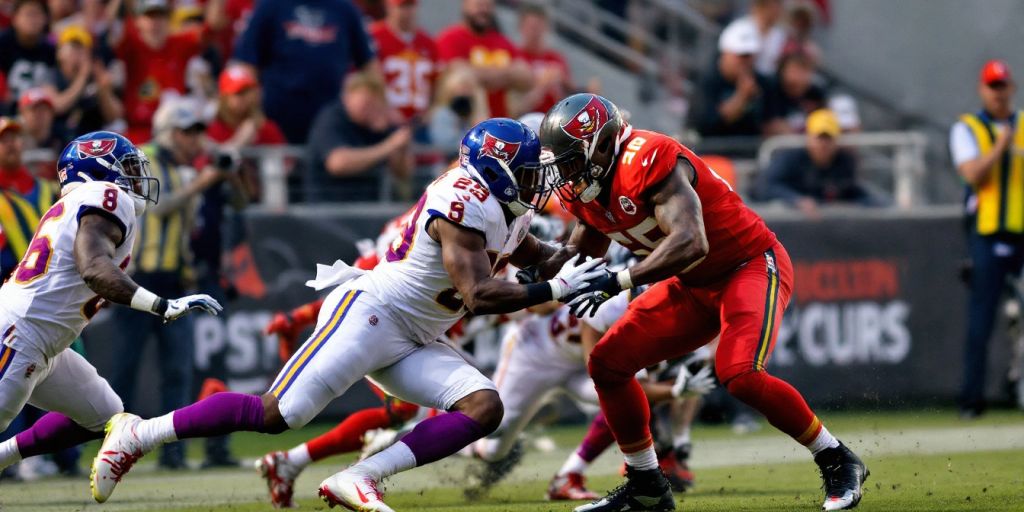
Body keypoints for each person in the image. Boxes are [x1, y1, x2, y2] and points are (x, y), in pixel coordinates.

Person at [90, 118, 608, 511]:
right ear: (497, 169)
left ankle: (361, 477)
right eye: (525, 170)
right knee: (278, 415)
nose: (535, 180)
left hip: (417, 335)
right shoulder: (464, 201)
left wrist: (594, 253)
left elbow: (542, 255)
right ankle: (141, 434)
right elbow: (479, 294)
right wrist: (558, 287)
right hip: (374, 314)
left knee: (483, 408)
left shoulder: (504, 207)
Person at [536, 93, 867, 512]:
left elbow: (691, 241)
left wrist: (620, 279)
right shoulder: (585, 189)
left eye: (570, 160)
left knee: (740, 373)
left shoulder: (649, 157)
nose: (564, 174)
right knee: (607, 363)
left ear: (601, 145)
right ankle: (646, 485)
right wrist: (534, 260)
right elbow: (582, 248)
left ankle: (836, 457)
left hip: (747, 265)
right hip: (692, 285)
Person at [0, 130, 222, 487]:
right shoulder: (107, 195)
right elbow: (93, 268)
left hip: (46, 342)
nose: (137, 176)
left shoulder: (82, 201)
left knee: (107, 415)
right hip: (19, 334)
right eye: (128, 166)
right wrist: (160, 305)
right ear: (98, 170)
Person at [106, 97, 233, 470]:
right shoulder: (143, 158)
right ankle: (113, 448)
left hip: (175, 280)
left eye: (197, 132)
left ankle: (172, 451)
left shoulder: (185, 167)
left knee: (177, 370)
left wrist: (222, 173)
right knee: (124, 370)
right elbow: (157, 207)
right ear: (168, 131)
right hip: (137, 280)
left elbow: (228, 207)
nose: (195, 139)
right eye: (187, 131)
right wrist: (202, 183)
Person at [950, 60, 1024, 419]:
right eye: (993, 86)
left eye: (1003, 85)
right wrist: (1001, 145)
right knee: (981, 320)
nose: (999, 92)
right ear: (983, 89)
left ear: (1012, 88)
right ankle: (971, 400)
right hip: (986, 232)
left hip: (1022, 231)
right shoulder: (968, 128)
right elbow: (973, 173)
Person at [232, 0, 377, 143]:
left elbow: (369, 64)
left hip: (330, 116)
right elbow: (247, 62)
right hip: (277, 114)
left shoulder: (344, 8)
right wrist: (251, 109)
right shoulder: (271, 5)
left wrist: (377, 102)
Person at [305, 71, 413, 202]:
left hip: (371, 206)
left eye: (374, 104)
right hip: (329, 207)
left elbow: (404, 172)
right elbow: (338, 164)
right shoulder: (331, 119)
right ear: (347, 98)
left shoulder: (380, 123)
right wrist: (389, 146)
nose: (369, 110)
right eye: (365, 104)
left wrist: (400, 143)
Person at [111, 0, 208, 143]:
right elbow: (109, 30)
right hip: (139, 131)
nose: (155, 23)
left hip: (176, 132)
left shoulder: (180, 44)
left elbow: (212, 27)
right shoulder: (131, 45)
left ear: (168, 20)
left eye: (160, 16)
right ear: (138, 21)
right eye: (150, 16)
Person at [758, 109, 879, 216]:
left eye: (828, 138)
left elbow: (852, 191)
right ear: (809, 137)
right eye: (819, 138)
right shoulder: (789, 158)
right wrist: (796, 200)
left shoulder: (845, 161)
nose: (823, 144)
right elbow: (767, 186)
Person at [435, 0, 531, 118]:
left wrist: (483, 75)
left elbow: (527, 76)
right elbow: (459, 73)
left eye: (488, 6)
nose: (484, 10)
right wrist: (506, 75)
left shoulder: (502, 41)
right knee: (465, 79)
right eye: (479, 5)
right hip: (463, 122)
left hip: (502, 121)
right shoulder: (450, 37)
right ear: (465, 6)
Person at [693, 19, 770, 138]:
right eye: (742, 55)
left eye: (751, 55)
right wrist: (742, 97)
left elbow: (767, 122)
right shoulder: (707, 81)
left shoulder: (761, 81)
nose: (747, 61)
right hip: (713, 151)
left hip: (750, 151)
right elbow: (706, 125)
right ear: (725, 54)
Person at [46, 25, 124, 137]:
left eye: (82, 48)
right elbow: (57, 106)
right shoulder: (52, 75)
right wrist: (82, 76)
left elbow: (115, 116)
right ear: (60, 53)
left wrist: (104, 91)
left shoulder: (96, 76)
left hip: (92, 140)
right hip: (59, 139)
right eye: (73, 47)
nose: (78, 53)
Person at [369, 0, 438, 124]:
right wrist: (384, 108)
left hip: (421, 122)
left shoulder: (428, 43)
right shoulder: (373, 37)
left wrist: (430, 111)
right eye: (402, 7)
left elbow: (436, 84)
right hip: (385, 120)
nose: (407, 12)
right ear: (388, 7)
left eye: (410, 6)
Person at [513, 3, 572, 116]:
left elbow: (568, 91)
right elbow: (514, 106)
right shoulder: (515, 57)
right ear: (521, 27)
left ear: (546, 28)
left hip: (553, 118)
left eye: (539, 27)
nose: (535, 32)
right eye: (531, 27)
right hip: (524, 118)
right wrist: (543, 85)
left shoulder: (556, 59)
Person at [206, 65, 285, 148]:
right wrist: (240, 141)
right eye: (239, 93)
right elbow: (207, 159)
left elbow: (287, 158)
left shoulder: (265, 128)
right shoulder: (214, 129)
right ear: (224, 98)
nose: (245, 97)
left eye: (247, 91)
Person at [0, 0, 54, 113]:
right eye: (28, 14)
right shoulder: (3, 43)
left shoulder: (50, 50)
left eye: (37, 14)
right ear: (15, 18)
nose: (33, 20)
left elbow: (53, 93)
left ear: (46, 19)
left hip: (39, 111)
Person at [428, 67, 490, 158]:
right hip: (448, 162)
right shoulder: (443, 113)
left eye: (468, 88)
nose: (464, 93)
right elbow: (444, 144)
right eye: (461, 88)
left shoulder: (476, 113)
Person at [761, 51, 825, 135]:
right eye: (796, 70)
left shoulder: (815, 93)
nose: (800, 77)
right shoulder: (772, 91)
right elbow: (771, 125)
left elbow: (825, 121)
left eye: (805, 71)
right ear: (783, 71)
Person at [720, 0, 785, 76]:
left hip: (768, 80)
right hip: (740, 79)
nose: (776, 10)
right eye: (773, 5)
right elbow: (728, 63)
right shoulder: (739, 28)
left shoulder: (779, 34)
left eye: (778, 5)